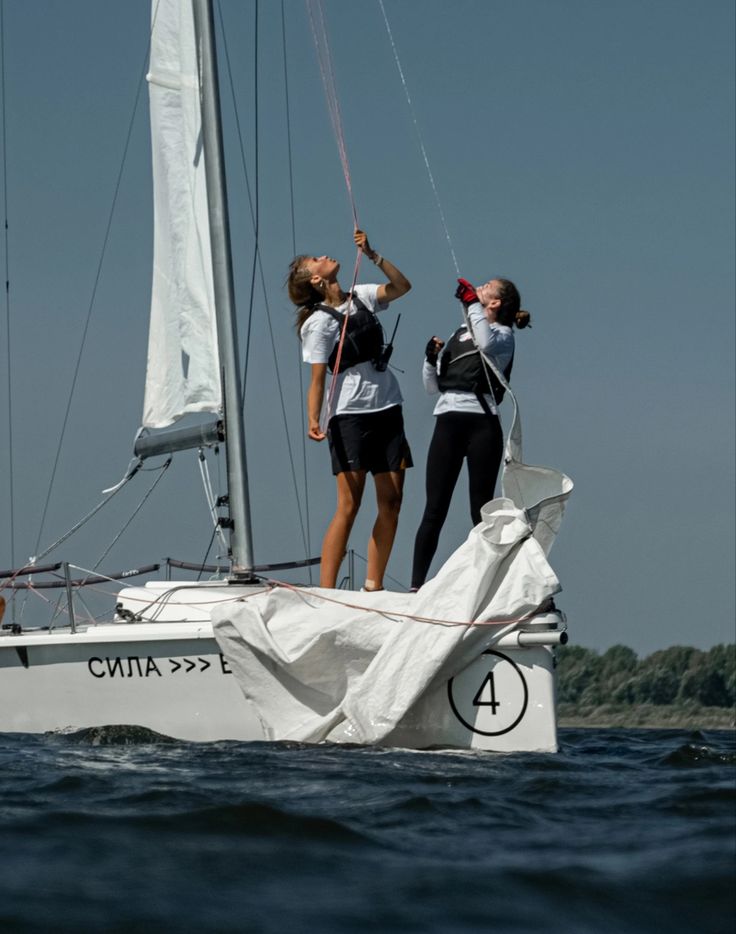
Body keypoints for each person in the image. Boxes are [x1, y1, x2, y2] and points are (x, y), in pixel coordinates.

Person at [287, 229, 412, 591]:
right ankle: (326, 593)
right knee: (350, 505)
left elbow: (402, 287)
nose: (325, 255)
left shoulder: (363, 296)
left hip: (389, 407)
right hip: (349, 416)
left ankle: (374, 586)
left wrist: (373, 254)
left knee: (392, 501)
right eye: (317, 260)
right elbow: (316, 379)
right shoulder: (318, 324)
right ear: (316, 278)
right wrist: (313, 418)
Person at [410, 276, 531, 589]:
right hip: (447, 421)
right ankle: (415, 587)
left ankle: (490, 586)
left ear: (495, 303)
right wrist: (429, 360)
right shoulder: (459, 333)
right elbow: (431, 387)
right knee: (434, 509)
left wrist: (470, 304)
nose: (480, 286)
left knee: (481, 511)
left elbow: (486, 343)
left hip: (482, 424)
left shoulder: (504, 336)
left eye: (487, 286)